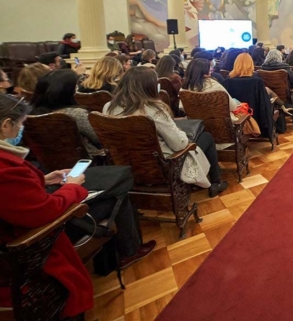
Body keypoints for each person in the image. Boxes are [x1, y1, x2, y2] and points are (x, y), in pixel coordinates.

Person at [0, 95, 155, 318]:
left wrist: (43, 180)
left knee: (115, 187)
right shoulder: (6, 169)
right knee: (117, 196)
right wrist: (71, 187)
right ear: (6, 125)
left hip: (26, 223)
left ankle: (117, 255)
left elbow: (16, 195)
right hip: (37, 242)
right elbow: (43, 212)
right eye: (20, 124)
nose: (21, 130)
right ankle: (128, 251)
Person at [109, 67, 228, 196]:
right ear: (150, 87)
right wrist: (181, 133)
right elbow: (179, 144)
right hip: (163, 165)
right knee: (206, 137)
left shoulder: (109, 108)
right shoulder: (154, 110)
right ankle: (216, 181)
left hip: (127, 163)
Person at [30, 70, 103, 158]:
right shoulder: (76, 114)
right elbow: (99, 139)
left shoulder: (30, 114)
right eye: (76, 85)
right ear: (68, 90)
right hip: (84, 162)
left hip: (46, 161)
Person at [223, 53, 274, 135]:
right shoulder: (257, 81)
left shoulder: (227, 81)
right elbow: (263, 104)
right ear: (251, 64)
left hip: (235, 117)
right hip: (255, 117)